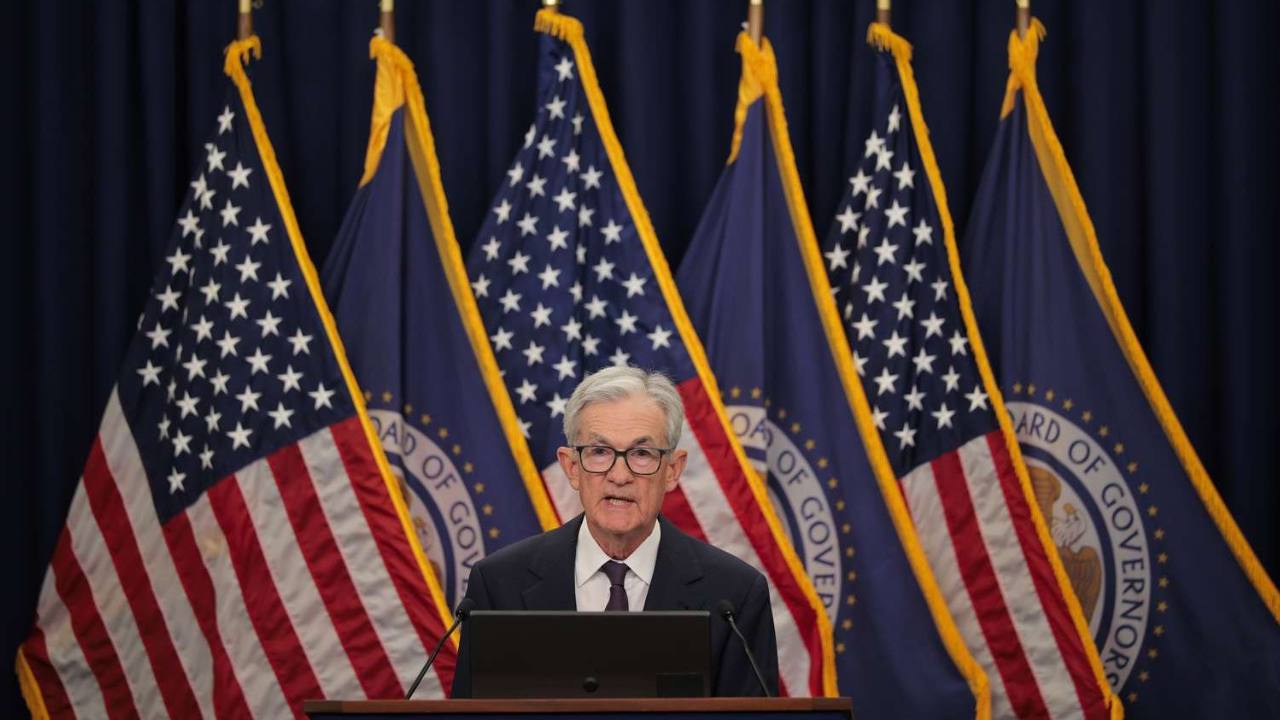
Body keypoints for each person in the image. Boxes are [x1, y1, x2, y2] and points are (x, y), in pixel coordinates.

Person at [450, 365, 779, 697]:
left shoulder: (734, 595)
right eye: (599, 452)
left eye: (641, 454)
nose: (619, 476)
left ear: (672, 470)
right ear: (571, 467)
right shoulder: (498, 585)